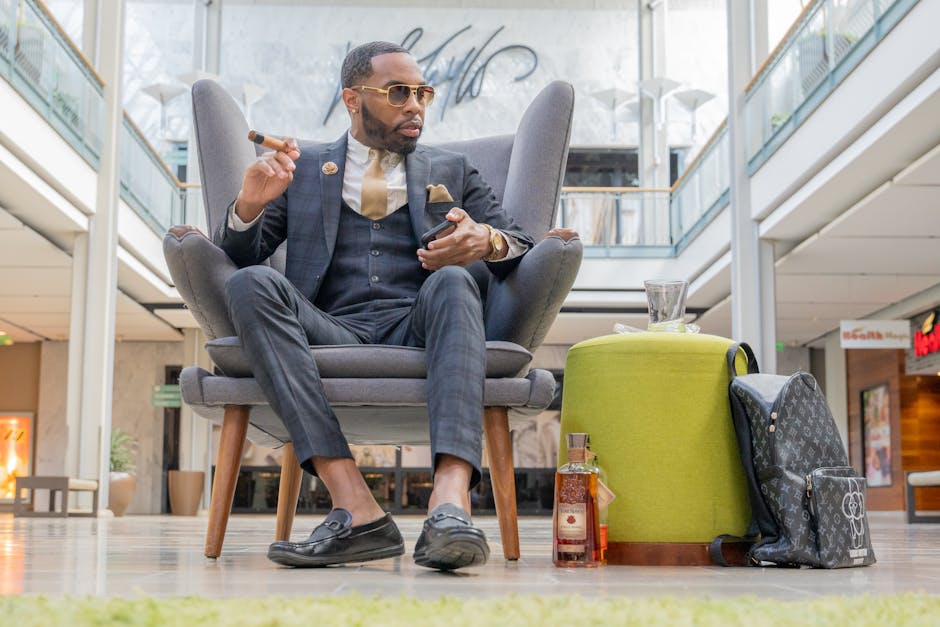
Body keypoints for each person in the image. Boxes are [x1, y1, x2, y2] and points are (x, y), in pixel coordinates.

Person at [215, 41, 534, 571]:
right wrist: (249, 203)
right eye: (398, 93)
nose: (415, 106)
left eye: (422, 93)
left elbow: (519, 240)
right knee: (250, 284)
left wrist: (486, 241)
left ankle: (450, 506)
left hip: (421, 323)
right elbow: (244, 250)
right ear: (352, 98)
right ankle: (356, 506)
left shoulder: (453, 169)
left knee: (456, 281)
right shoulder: (305, 166)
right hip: (330, 328)